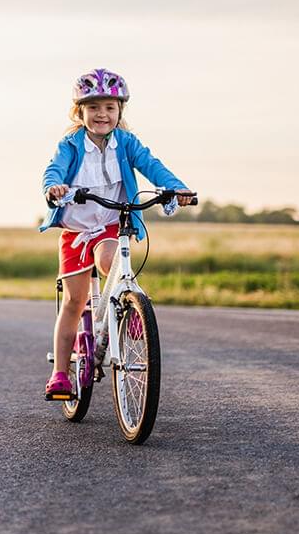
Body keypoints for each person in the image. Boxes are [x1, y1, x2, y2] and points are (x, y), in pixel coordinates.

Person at [39, 68, 194, 399]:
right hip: (76, 230)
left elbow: (152, 165)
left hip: (111, 223)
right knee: (74, 301)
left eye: (109, 107)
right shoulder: (71, 145)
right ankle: (60, 374)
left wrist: (176, 187)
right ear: (79, 112)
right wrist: (54, 187)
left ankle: (132, 305)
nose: (102, 115)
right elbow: (53, 169)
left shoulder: (126, 143)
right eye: (93, 107)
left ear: (120, 111)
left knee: (111, 258)